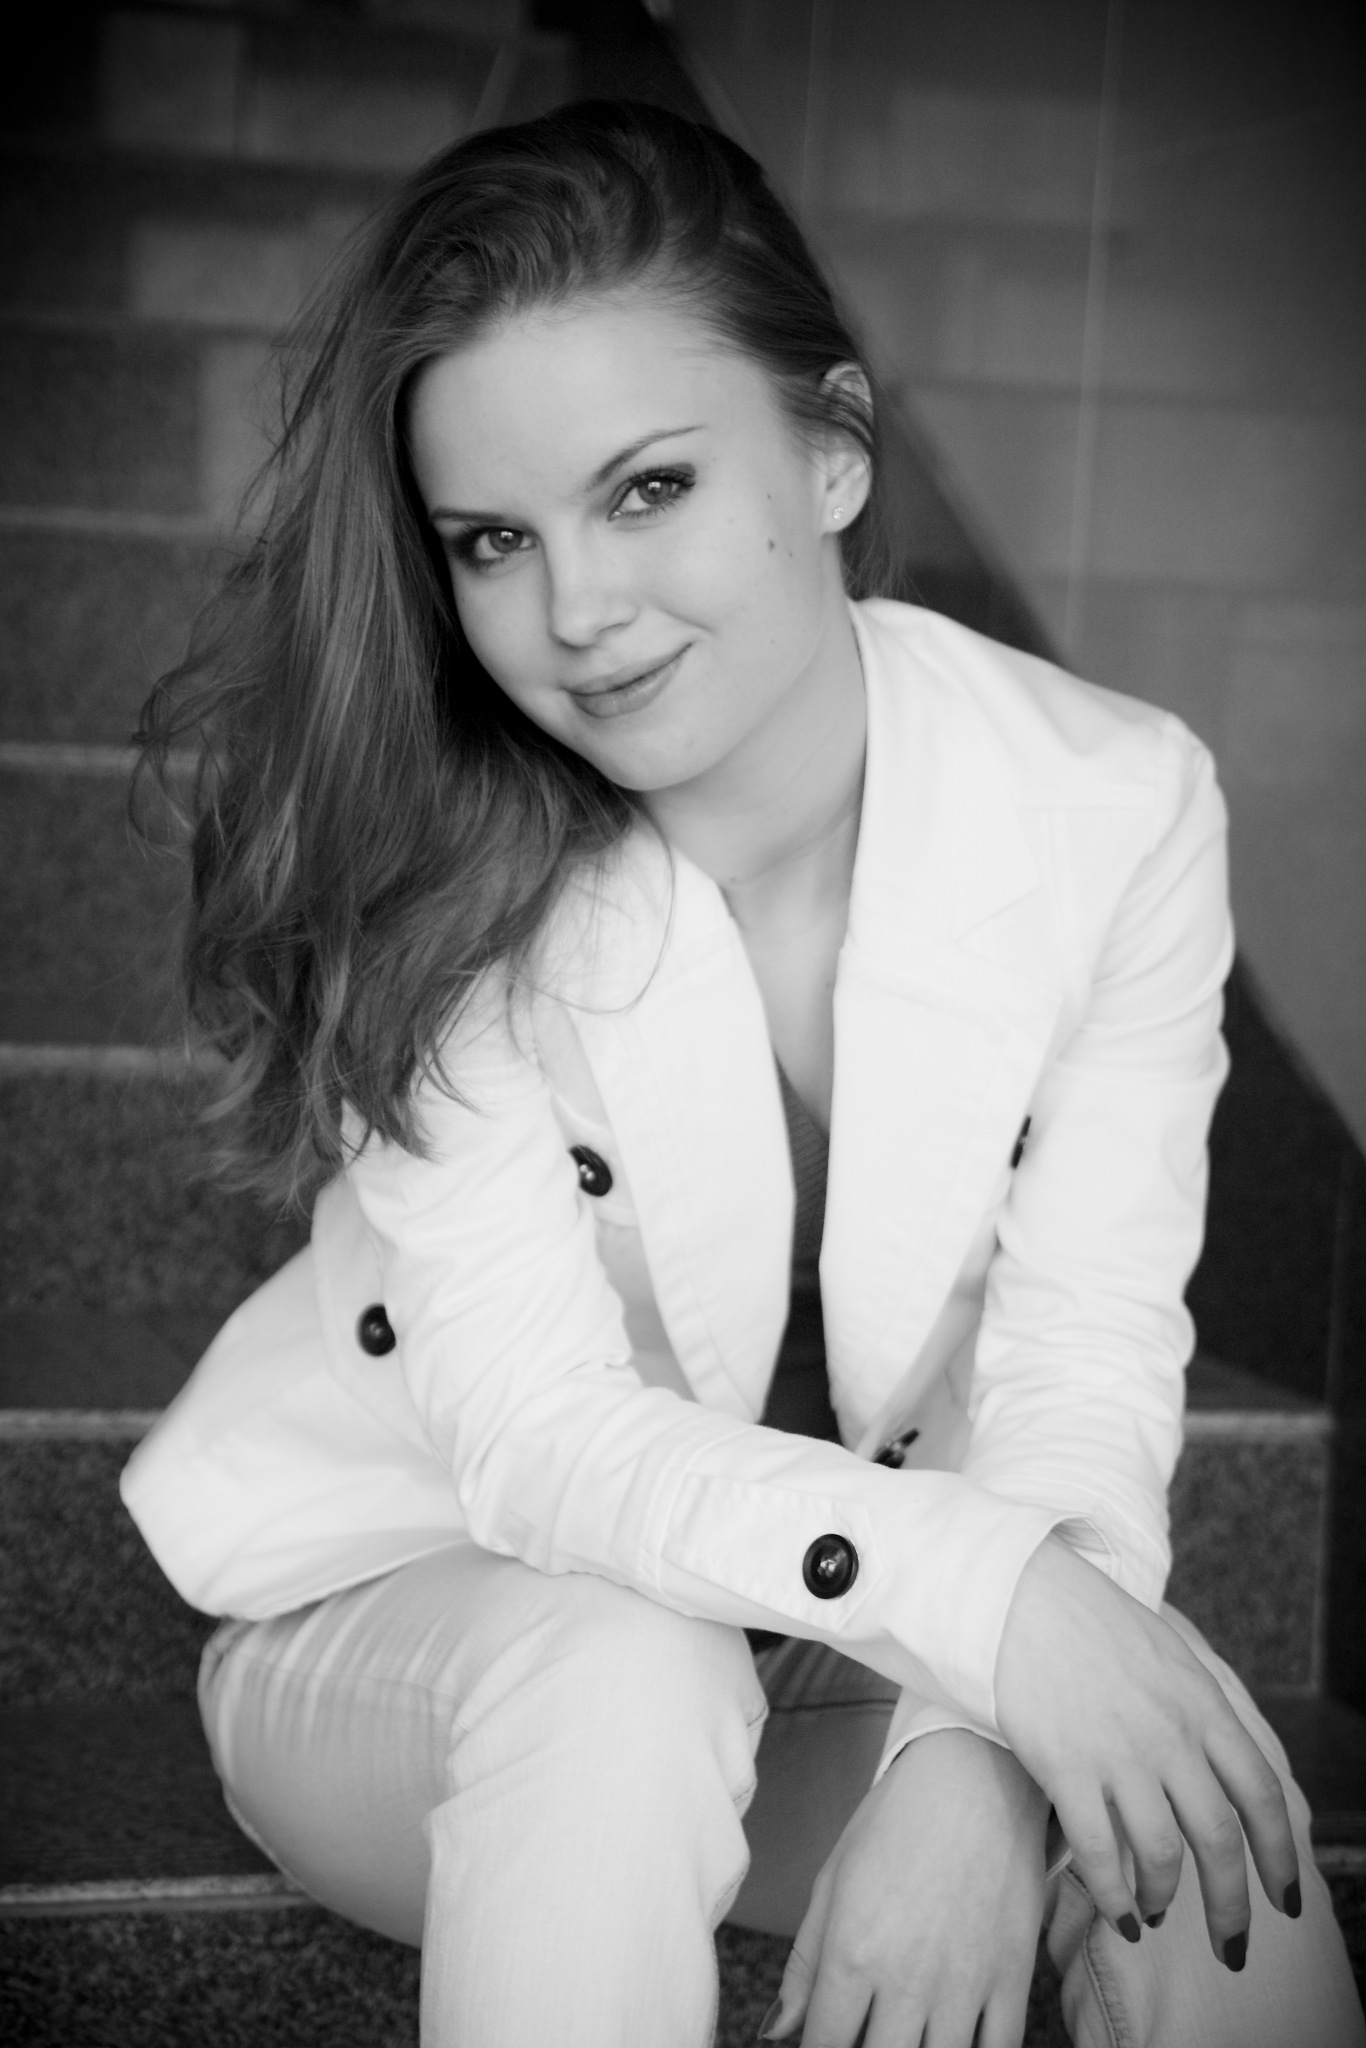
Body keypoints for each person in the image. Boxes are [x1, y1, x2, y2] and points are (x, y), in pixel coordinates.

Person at [121, 100, 1364, 2048]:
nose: (575, 611)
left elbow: (1082, 1362)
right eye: (492, 541)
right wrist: (996, 1609)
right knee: (626, 1666)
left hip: (835, 1634)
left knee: (1195, 1827)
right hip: (427, 1618)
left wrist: (974, 1743)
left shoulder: (1111, 805)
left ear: (833, 448)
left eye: (645, 490)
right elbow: (537, 1442)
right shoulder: (423, 848)